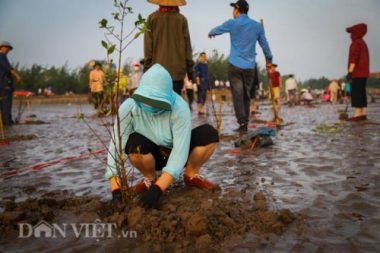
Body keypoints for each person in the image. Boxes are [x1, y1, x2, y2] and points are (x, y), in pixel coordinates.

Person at [105, 64, 219, 209]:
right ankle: (149, 178)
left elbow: (179, 151)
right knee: (134, 143)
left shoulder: (180, 108)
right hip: (151, 156)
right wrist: (115, 190)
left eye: (157, 102)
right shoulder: (128, 107)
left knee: (209, 134)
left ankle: (191, 175)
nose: (152, 105)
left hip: (177, 154)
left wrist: (158, 190)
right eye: (148, 100)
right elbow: (115, 147)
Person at [209, 0, 273, 133]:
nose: (233, 12)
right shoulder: (256, 26)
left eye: (234, 9)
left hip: (235, 65)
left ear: (237, 10)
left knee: (238, 95)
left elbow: (217, 29)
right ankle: (245, 122)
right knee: (246, 95)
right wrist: (269, 60)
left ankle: (242, 122)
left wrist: (211, 33)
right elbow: (265, 45)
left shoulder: (232, 23)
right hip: (250, 67)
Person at [144, 0, 195, 95]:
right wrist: (190, 71)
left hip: (157, 72)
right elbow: (187, 48)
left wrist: (147, 68)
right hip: (177, 72)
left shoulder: (152, 18)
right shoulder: (182, 19)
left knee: (160, 105)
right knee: (174, 104)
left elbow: (148, 48)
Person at [346, 23, 370, 121]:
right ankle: (364, 113)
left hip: (357, 72)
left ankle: (357, 114)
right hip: (364, 73)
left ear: (355, 33)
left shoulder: (356, 43)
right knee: (362, 92)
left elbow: (353, 59)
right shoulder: (363, 43)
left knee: (356, 93)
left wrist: (350, 73)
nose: (350, 35)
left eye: (351, 33)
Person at [0, 41, 22, 125]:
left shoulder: (3, 57)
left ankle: (4, 122)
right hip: (4, 86)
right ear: (1, 47)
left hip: (3, 85)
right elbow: (8, 68)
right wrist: (17, 76)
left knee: (3, 104)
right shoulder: (1, 56)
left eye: (8, 48)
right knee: (6, 104)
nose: (8, 50)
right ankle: (6, 122)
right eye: (6, 48)